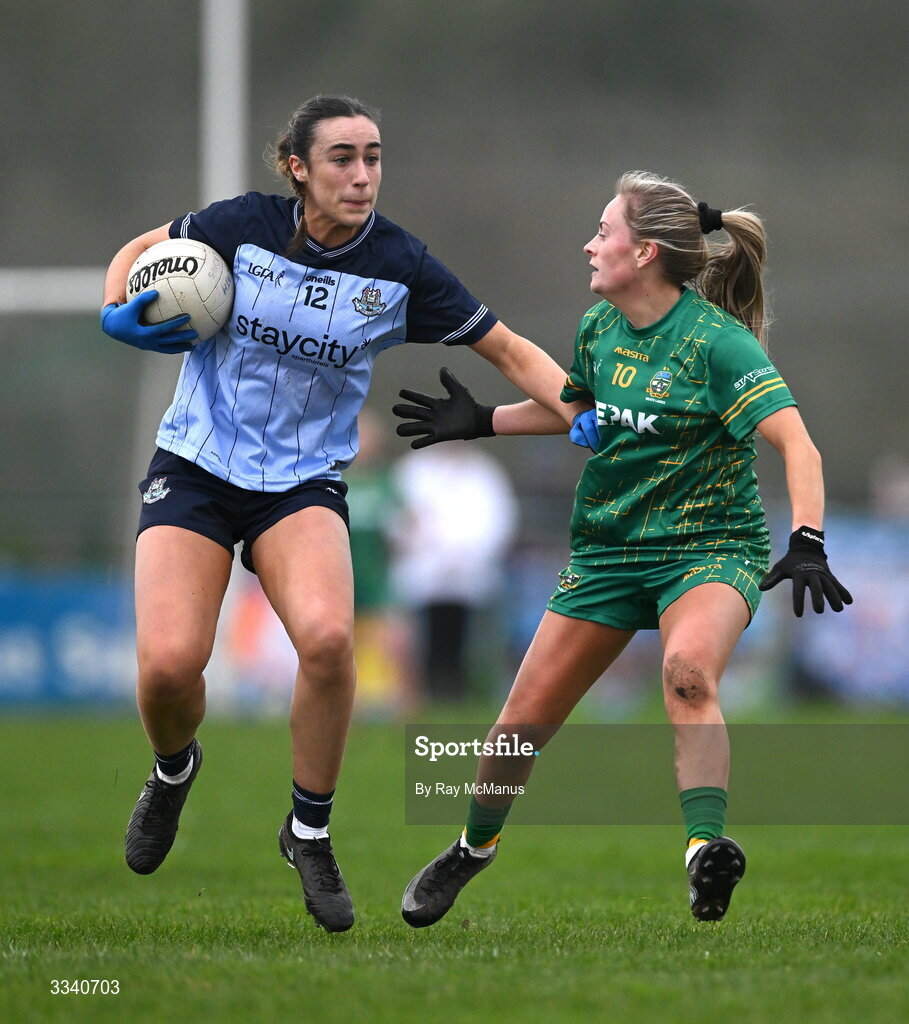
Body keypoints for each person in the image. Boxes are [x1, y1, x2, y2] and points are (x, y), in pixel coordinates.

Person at [99, 95, 582, 933]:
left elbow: (505, 348)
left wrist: (586, 410)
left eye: (373, 157)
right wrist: (117, 311)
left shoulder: (399, 264)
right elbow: (143, 249)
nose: (362, 175)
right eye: (342, 159)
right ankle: (174, 771)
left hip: (301, 481)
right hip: (196, 465)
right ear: (297, 167)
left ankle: (308, 830)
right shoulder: (236, 226)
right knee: (171, 668)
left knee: (327, 639)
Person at [394, 171, 852, 927]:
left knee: (685, 676)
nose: (588, 243)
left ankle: (704, 852)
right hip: (607, 552)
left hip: (709, 549)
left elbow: (796, 444)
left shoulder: (719, 346)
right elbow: (581, 414)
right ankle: (472, 848)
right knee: (518, 726)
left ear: (642, 252)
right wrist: (481, 421)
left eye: (601, 231)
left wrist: (806, 539)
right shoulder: (596, 328)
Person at [389, 441, 518, 701]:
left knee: (468, 643)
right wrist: (429, 549)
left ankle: (467, 689)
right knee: (423, 642)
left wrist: (464, 556)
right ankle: (424, 691)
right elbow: (397, 519)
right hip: (422, 573)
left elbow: (498, 522)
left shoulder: (484, 473)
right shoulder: (411, 470)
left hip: (471, 575)